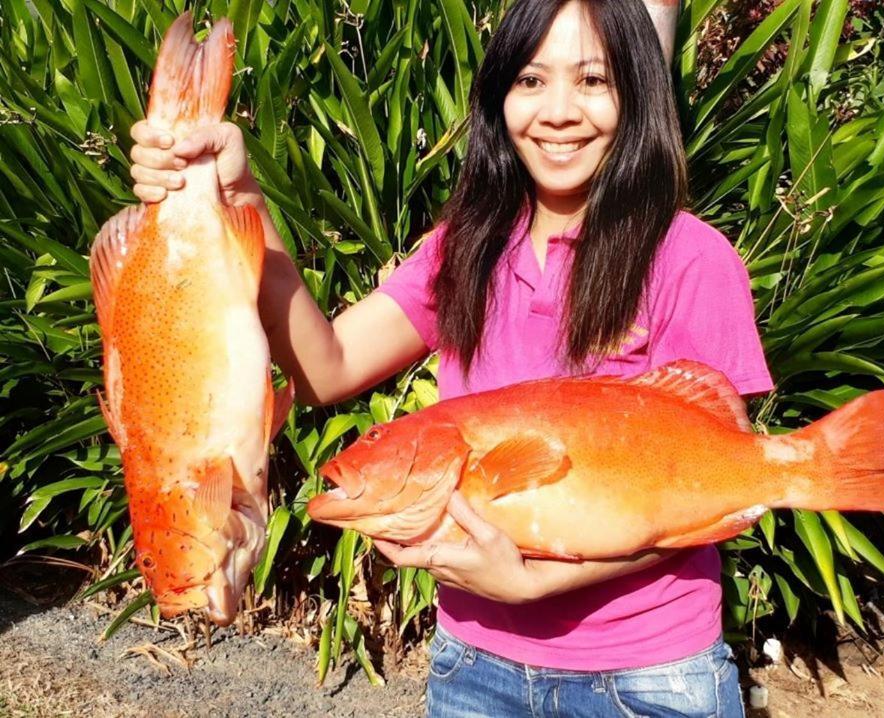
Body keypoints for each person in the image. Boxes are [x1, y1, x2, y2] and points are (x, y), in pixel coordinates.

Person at [127, 1, 772, 714]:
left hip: (650, 679)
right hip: (477, 669)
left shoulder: (689, 259)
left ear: (639, 94)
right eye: (531, 81)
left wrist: (535, 583)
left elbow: (723, 482)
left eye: (594, 81)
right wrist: (240, 201)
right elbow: (328, 366)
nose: (559, 112)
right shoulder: (464, 249)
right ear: (498, 97)